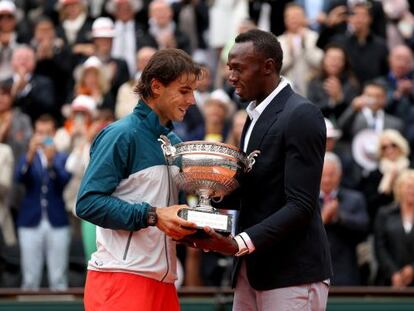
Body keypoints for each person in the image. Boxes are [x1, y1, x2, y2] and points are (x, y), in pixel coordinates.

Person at [185, 29, 332, 311]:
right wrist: (208, 197)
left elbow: (301, 204)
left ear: (268, 67)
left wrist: (239, 243)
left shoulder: (301, 114)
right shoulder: (254, 115)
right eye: (229, 68)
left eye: (238, 68)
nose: (230, 76)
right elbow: (254, 190)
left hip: (291, 273)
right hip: (251, 270)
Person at [75, 48, 200, 311]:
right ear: (156, 86)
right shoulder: (120, 134)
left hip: (164, 283)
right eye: (184, 90)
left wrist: (192, 229)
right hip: (120, 279)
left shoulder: (173, 143)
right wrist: (153, 215)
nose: (192, 100)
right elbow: (87, 203)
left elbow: (171, 212)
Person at [15, 114, 71, 290]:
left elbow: (63, 181)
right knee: (30, 279)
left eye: (47, 133)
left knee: (59, 279)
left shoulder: (61, 157)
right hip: (30, 221)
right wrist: (31, 154)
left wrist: (51, 161)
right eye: (39, 133)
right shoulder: (27, 157)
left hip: (57, 221)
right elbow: (19, 178)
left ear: (53, 133)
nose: (43, 137)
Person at [374, 169, 414, 287]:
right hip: (388, 280)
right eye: (408, 186)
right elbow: (379, 247)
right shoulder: (385, 213)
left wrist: (412, 269)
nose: (411, 191)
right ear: (399, 189)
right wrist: (394, 273)